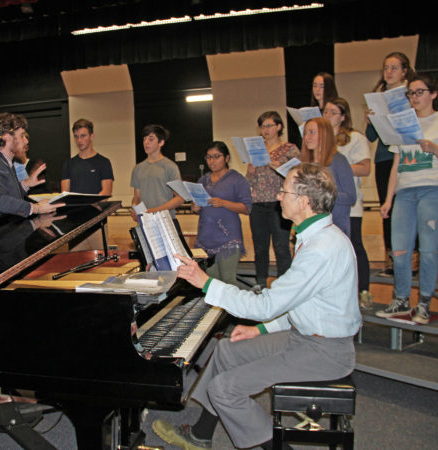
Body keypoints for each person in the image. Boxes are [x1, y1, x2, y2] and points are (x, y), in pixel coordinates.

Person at [152, 163, 361, 450]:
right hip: (306, 337)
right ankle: (201, 435)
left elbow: (266, 305)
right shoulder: (316, 236)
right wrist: (261, 330)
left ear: (303, 201)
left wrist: (206, 283)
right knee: (227, 350)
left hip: (325, 351)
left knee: (224, 390)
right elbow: (303, 305)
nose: (277, 196)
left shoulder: (322, 249)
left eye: (284, 191)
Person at [376, 74, 438, 324]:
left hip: (431, 189)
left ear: (433, 94)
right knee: (400, 249)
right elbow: (396, 164)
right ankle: (401, 300)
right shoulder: (402, 123)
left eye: (419, 92)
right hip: (404, 192)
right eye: (410, 93)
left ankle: (424, 302)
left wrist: (433, 148)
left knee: (429, 250)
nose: (414, 98)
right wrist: (388, 198)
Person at [366, 52, 416, 276]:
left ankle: (412, 260)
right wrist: (371, 119)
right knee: (387, 210)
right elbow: (370, 136)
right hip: (384, 158)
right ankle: (391, 261)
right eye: (386, 68)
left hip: (409, 156)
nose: (389, 72)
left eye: (394, 68)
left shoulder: (413, 95)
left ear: (405, 71)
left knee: (408, 208)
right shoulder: (380, 97)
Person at [324, 98, 374, 309]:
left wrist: (338, 168)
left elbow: (365, 168)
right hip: (326, 205)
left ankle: (363, 291)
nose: (328, 116)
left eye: (333, 112)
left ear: (343, 117)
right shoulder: (321, 141)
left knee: (354, 247)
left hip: (347, 203)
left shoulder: (355, 138)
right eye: (325, 112)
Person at [246, 111, 300, 293]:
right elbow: (250, 182)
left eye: (269, 125)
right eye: (262, 126)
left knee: (281, 246)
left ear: (279, 127)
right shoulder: (256, 150)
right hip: (258, 204)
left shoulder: (289, 149)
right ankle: (260, 283)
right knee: (260, 247)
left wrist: (279, 167)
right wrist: (251, 172)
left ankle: (285, 285)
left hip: (280, 204)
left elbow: (298, 176)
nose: (265, 130)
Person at [0, 112, 61, 222]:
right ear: (7, 137)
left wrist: (26, 184)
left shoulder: (4, 162)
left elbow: (8, 194)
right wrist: (36, 208)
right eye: (22, 135)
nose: (26, 141)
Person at [194, 142, 252, 285]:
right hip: (205, 238)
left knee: (228, 282)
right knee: (210, 283)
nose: (211, 161)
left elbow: (247, 208)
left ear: (226, 158)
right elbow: (197, 207)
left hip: (228, 238)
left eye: (216, 157)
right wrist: (195, 207)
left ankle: (235, 307)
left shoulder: (237, 179)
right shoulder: (203, 180)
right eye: (208, 157)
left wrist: (223, 202)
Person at [301, 117, 356, 236]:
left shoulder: (338, 160)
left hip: (334, 227)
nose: (307, 137)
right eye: (305, 133)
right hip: (310, 225)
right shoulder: (304, 164)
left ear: (324, 134)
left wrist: (322, 192)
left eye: (312, 132)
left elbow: (351, 197)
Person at [131, 124, 184, 219]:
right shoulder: (137, 168)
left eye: (151, 139)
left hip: (166, 221)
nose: (146, 142)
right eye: (144, 139)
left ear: (161, 143)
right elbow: (137, 197)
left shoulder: (170, 166)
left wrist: (155, 211)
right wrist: (134, 208)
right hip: (146, 222)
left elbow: (180, 198)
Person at [61, 119, 113, 195]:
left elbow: (106, 192)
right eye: (76, 136)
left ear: (91, 137)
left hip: (96, 206)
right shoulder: (68, 164)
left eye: (83, 136)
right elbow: (65, 193)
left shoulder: (104, 162)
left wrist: (89, 205)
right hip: (75, 206)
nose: (79, 140)